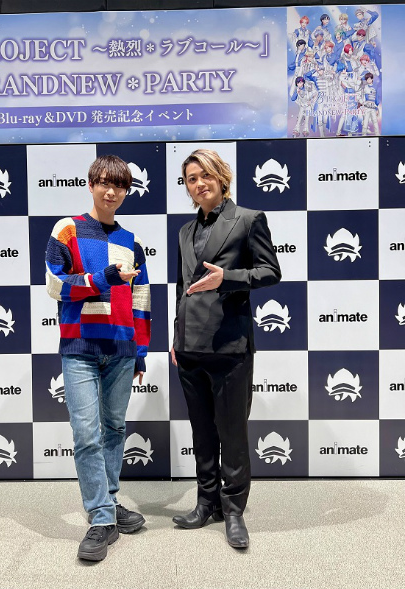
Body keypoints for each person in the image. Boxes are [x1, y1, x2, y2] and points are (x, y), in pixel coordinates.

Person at [171, 149, 281, 549]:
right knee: (202, 432)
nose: (199, 184)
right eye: (191, 179)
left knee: (232, 434)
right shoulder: (184, 231)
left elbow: (271, 271)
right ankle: (206, 503)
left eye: (205, 175)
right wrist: (176, 337)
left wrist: (228, 278)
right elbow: (182, 288)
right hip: (189, 348)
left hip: (230, 346)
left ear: (221, 177)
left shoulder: (248, 220)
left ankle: (233, 511)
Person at [45, 155, 151, 561]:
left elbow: (141, 300)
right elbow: (55, 285)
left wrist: (140, 352)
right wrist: (101, 278)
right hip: (80, 349)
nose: (111, 191)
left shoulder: (131, 241)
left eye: (119, 185)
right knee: (87, 434)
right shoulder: (68, 229)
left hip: (121, 351)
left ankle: (108, 502)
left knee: (114, 429)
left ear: (126, 191)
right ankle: (102, 518)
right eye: (104, 182)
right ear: (91, 184)